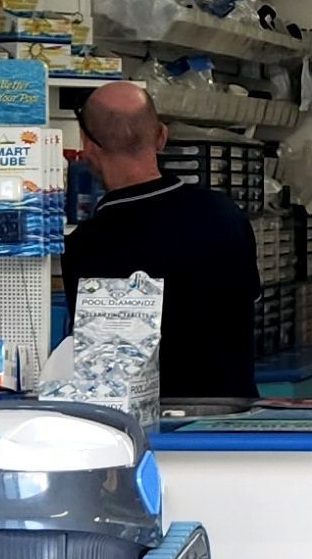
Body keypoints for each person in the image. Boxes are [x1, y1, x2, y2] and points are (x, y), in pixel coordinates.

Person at [63, 82, 261, 399]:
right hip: (231, 423)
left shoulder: (88, 245)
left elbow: (105, 366)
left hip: (151, 427)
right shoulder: (225, 215)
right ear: (161, 136)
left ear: (88, 146)